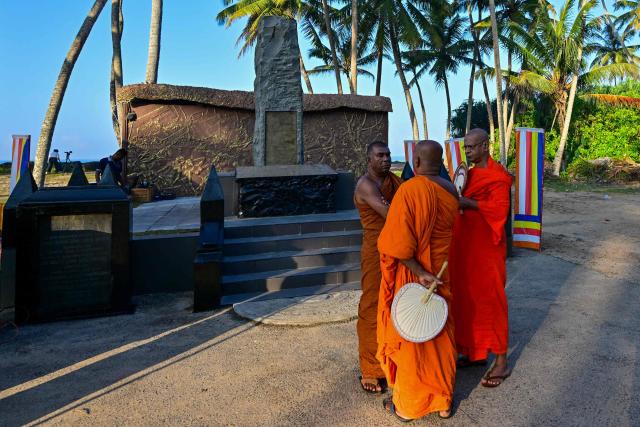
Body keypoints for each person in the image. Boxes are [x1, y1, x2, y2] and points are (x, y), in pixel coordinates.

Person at [377, 141, 459, 421]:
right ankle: (443, 401)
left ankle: (409, 406)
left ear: (416, 161)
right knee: (441, 334)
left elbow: (396, 246)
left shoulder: (410, 190)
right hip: (443, 273)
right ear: (442, 162)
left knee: (414, 338)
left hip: (417, 276)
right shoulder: (450, 191)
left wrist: (417, 268)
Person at [449, 128, 513, 387]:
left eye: (472, 147)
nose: (468, 152)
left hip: (487, 251)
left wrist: (469, 204)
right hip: (466, 249)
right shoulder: (470, 175)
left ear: (486, 145)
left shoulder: (498, 177)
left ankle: (501, 360)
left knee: (492, 301)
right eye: (466, 148)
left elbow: (500, 211)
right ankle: (474, 353)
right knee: (466, 299)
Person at [354, 141, 402, 394]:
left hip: (397, 248)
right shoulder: (365, 184)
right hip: (375, 251)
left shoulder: (394, 181)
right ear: (369, 159)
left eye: (388, 155)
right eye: (380, 155)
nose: (385, 159)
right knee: (373, 305)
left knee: (395, 302)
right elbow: (392, 213)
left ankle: (391, 360)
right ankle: (370, 369)